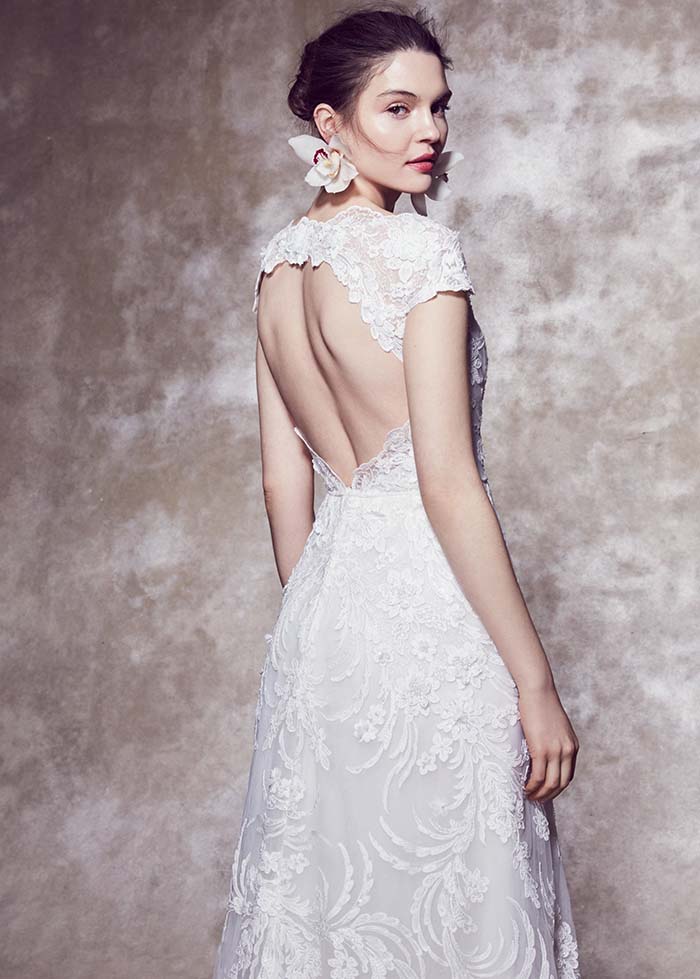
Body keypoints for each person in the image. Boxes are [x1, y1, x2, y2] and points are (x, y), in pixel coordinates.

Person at [212, 5, 581, 977]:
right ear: (329, 124)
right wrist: (535, 684)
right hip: (434, 612)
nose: (430, 131)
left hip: (323, 621)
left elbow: (282, 474)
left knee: (331, 905)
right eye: (399, 107)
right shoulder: (422, 254)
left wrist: (317, 620)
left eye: (439, 107)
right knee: (458, 905)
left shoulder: (276, 268)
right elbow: (445, 480)